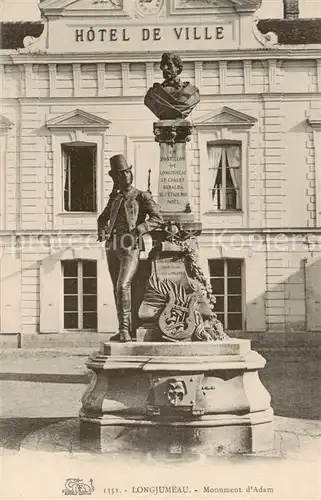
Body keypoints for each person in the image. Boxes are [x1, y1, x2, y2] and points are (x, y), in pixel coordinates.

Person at [97, 154, 163, 342]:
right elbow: (102, 217)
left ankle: (127, 330)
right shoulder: (115, 199)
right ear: (115, 178)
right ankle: (124, 330)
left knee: (123, 285)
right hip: (112, 244)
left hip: (130, 243)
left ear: (131, 174)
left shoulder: (141, 196)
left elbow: (158, 218)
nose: (125, 176)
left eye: (127, 172)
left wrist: (139, 230)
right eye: (120, 174)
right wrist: (102, 231)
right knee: (116, 288)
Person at [144, 52, 200, 120]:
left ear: (178, 67)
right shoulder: (153, 93)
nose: (165, 68)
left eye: (169, 64)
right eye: (163, 65)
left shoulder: (193, 93)